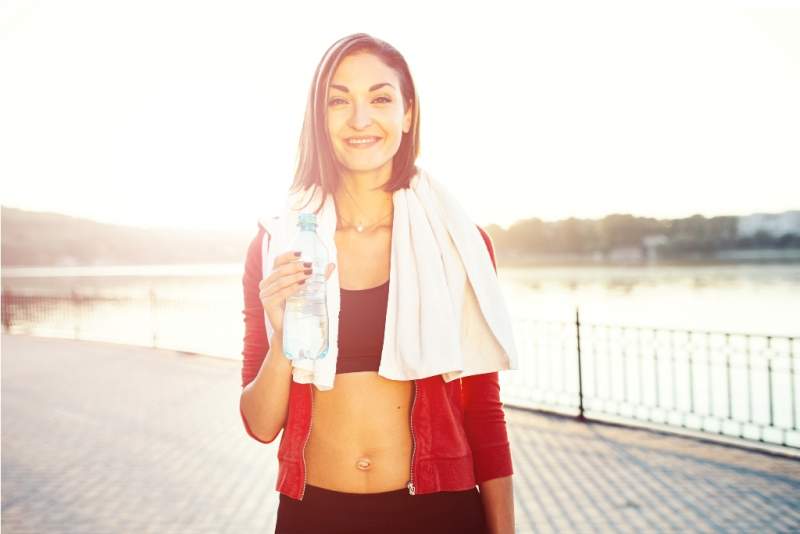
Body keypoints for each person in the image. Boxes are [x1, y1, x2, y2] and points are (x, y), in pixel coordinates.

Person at [239, 33, 516, 534]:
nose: (361, 119)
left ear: (408, 114)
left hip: (439, 511)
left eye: (381, 98)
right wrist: (285, 336)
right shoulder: (276, 245)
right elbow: (260, 425)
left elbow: (485, 414)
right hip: (314, 514)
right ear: (318, 118)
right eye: (339, 100)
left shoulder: (457, 243)